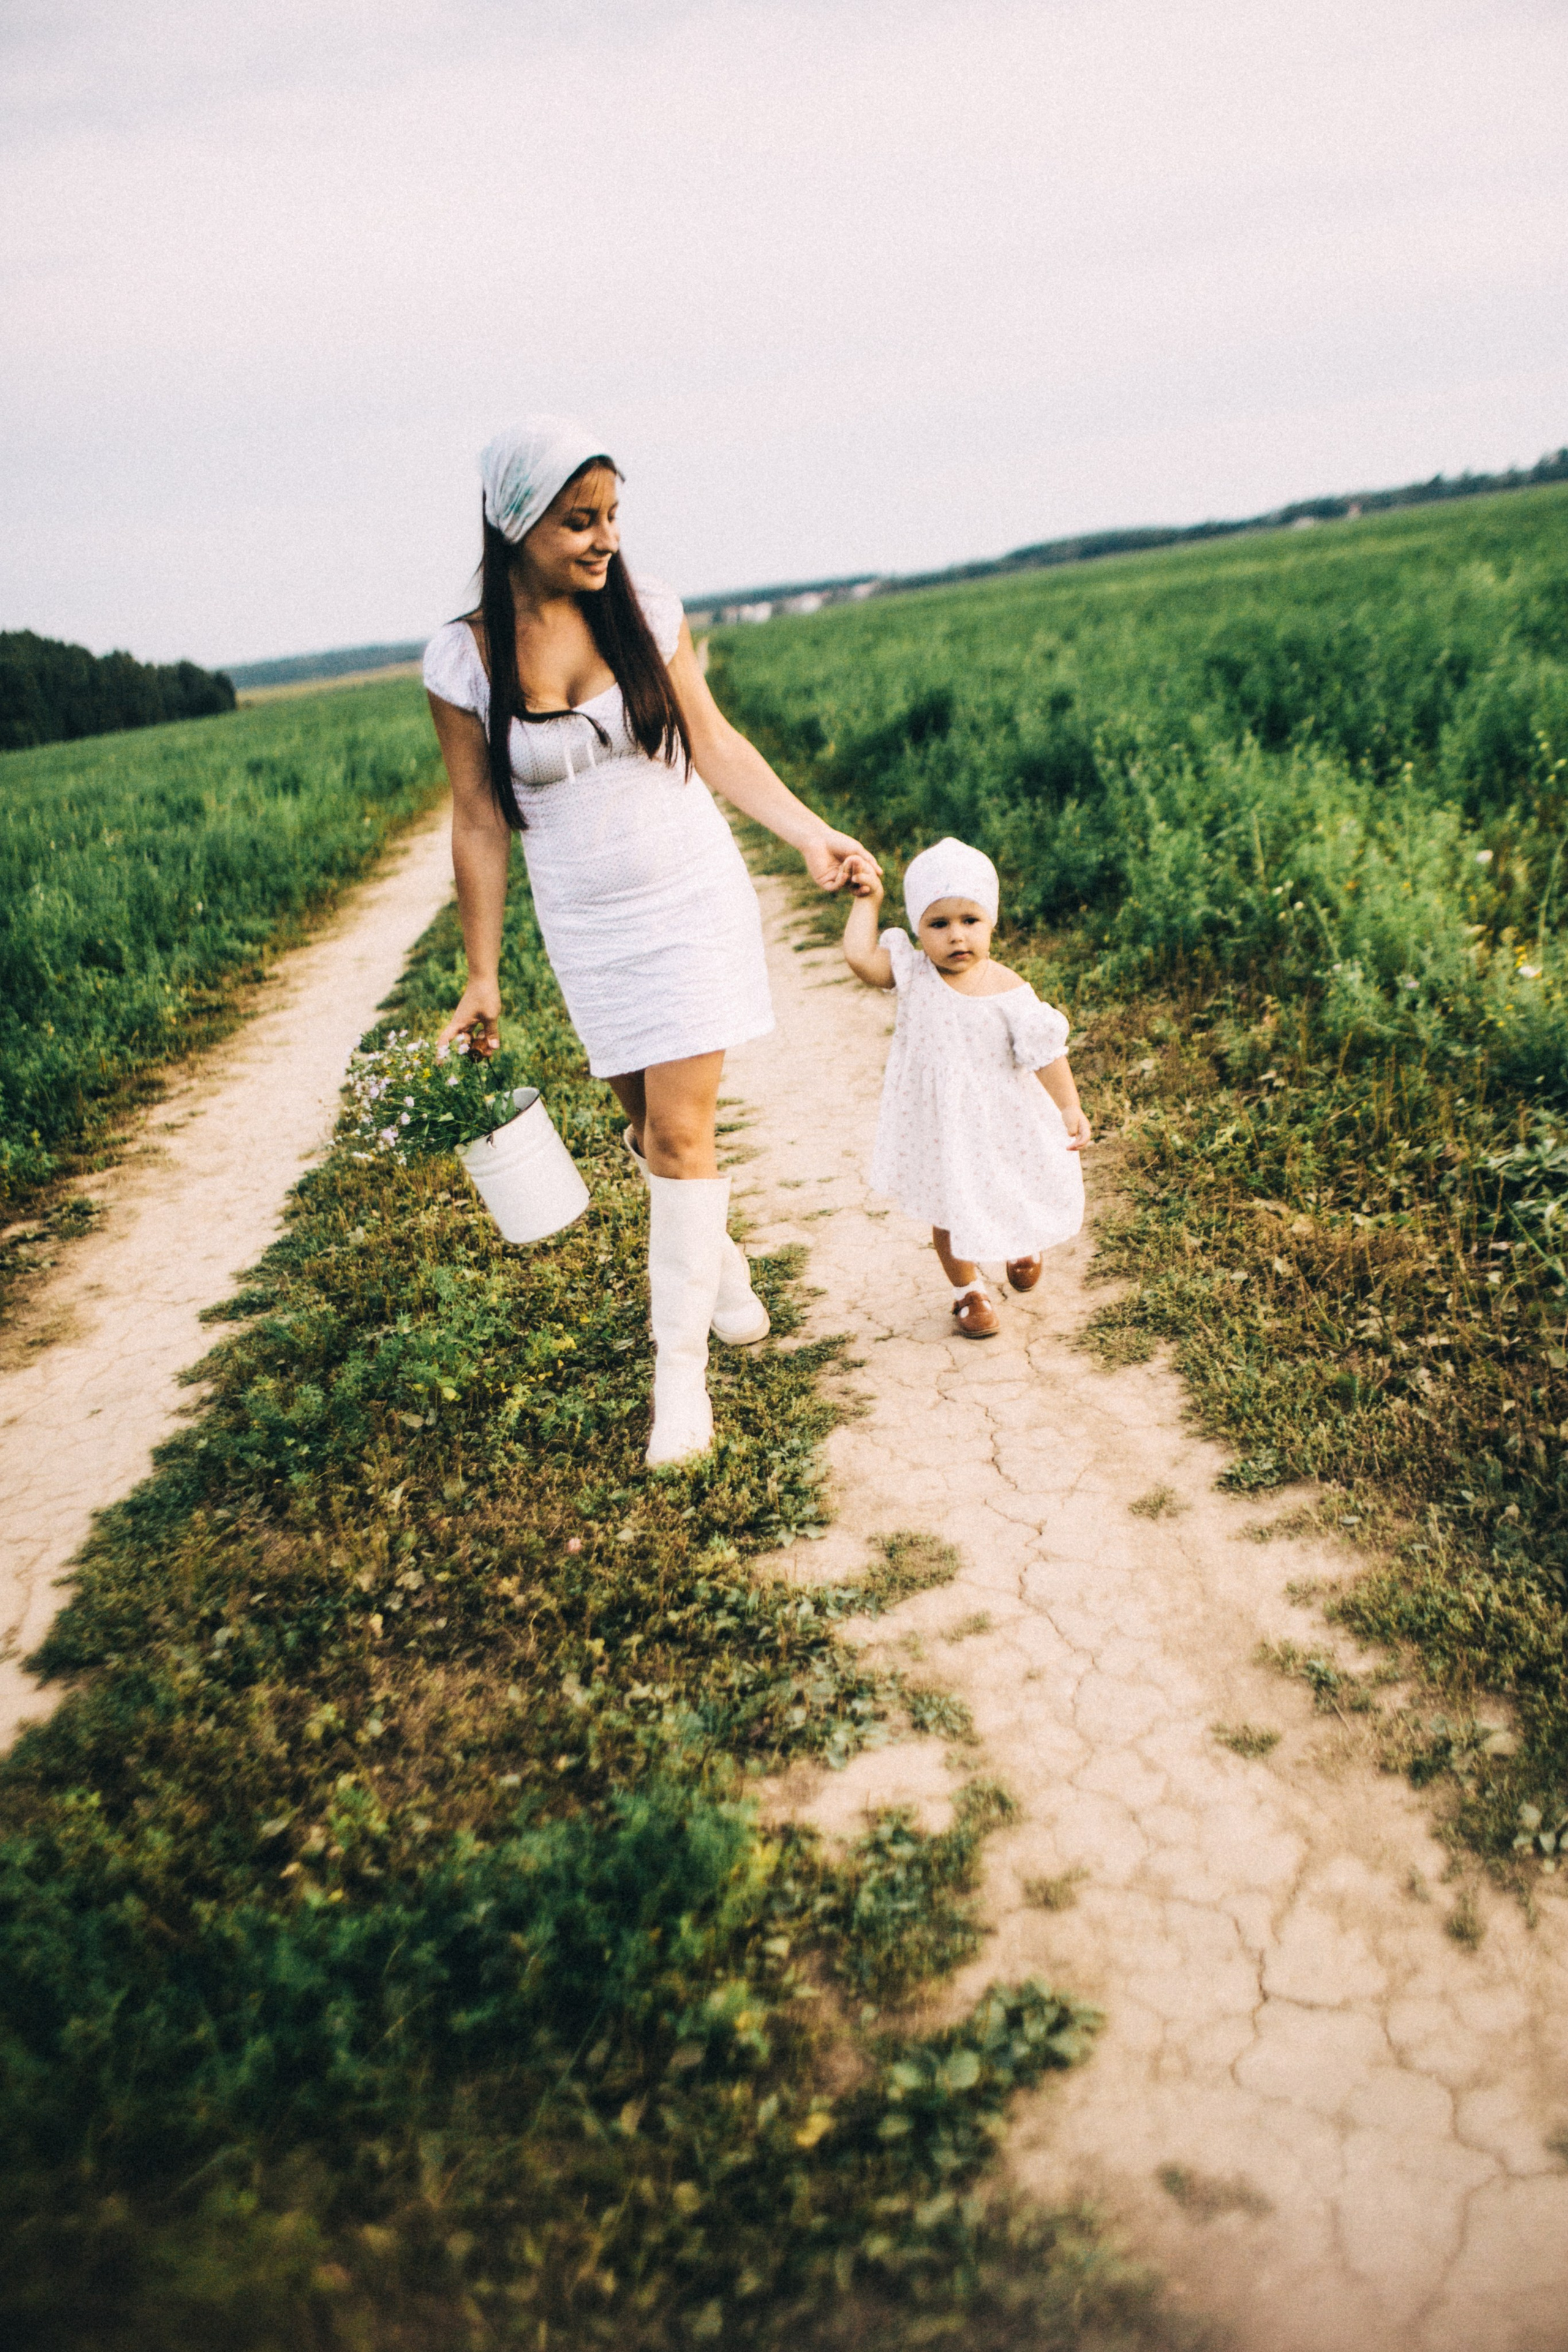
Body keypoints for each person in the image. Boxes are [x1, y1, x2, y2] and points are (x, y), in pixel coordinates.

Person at [423, 416, 877, 1464]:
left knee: (681, 1138)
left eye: (612, 517)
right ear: (514, 521)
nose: (603, 540)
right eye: (579, 521)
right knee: (647, 1131)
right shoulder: (463, 658)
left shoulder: (648, 613)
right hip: (585, 921)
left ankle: (680, 1386)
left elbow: (713, 743)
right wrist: (482, 974)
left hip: (687, 896)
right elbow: (479, 817)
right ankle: (718, 1267)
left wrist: (809, 836)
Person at [841, 836, 1090, 1337]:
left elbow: (1046, 1054)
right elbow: (859, 959)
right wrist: (866, 901)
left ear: (991, 921)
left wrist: (1069, 1107)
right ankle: (968, 1293)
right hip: (941, 1124)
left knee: (1011, 1184)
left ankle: (1023, 1243)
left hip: (1004, 1118)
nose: (957, 937)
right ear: (918, 928)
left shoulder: (1009, 989)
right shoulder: (912, 973)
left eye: (970, 921)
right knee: (949, 1202)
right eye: (939, 924)